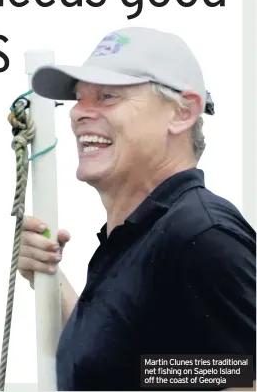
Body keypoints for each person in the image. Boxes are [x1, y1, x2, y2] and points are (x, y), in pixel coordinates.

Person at [19, 27, 256, 391]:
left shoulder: (200, 236)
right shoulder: (141, 238)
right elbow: (116, 362)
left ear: (182, 112)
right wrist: (47, 274)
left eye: (108, 96)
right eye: (80, 99)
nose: (78, 112)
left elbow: (244, 379)